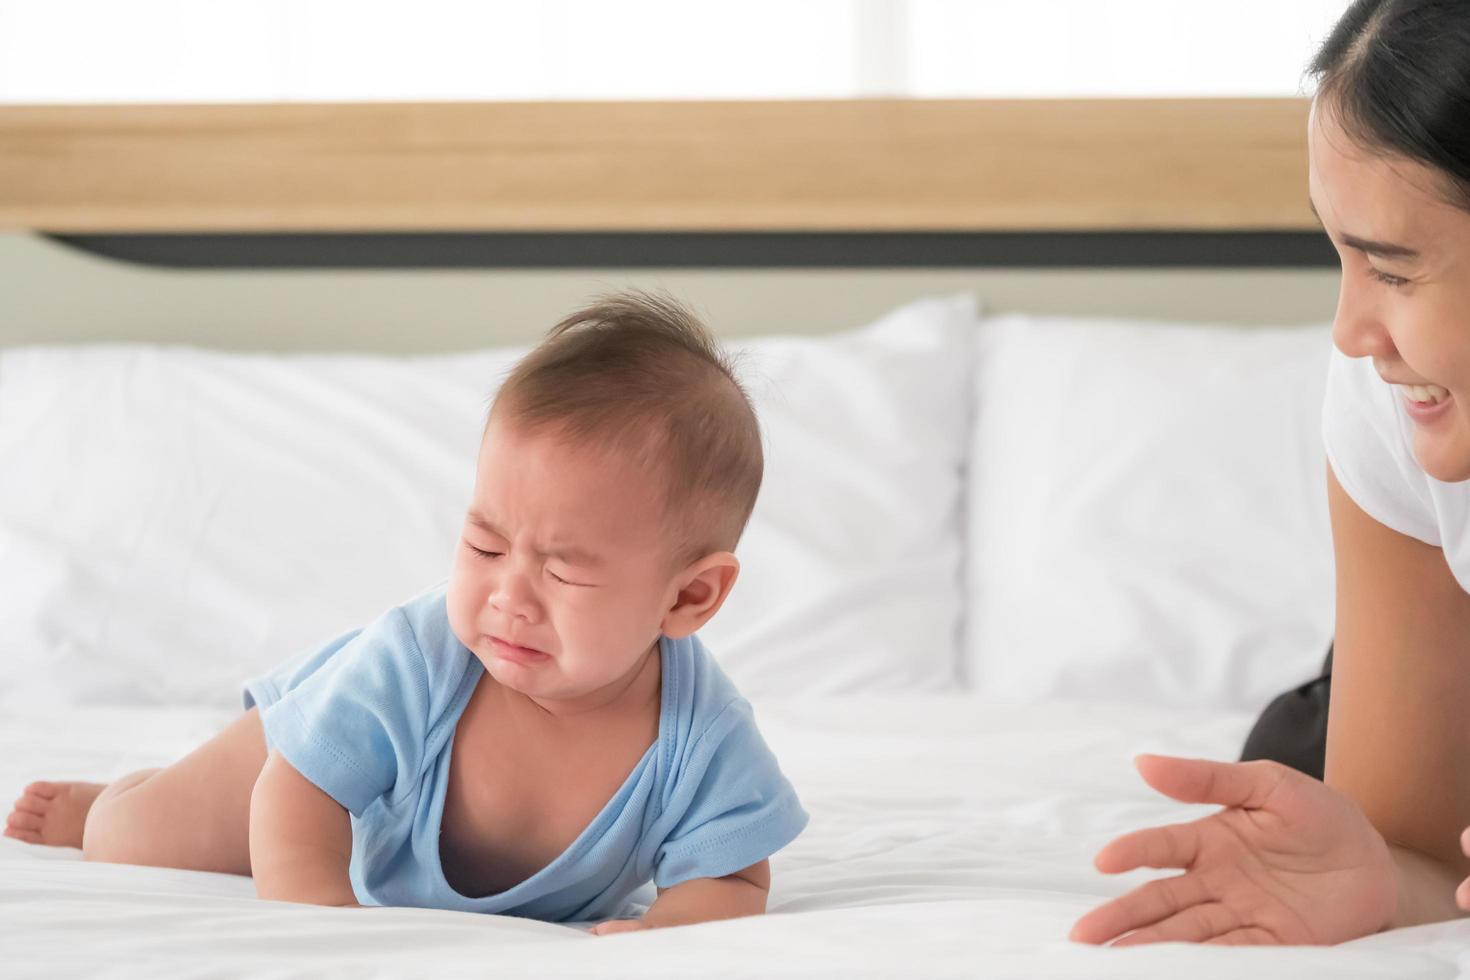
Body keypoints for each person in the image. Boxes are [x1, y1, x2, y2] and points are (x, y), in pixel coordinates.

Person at [3, 290, 808, 934]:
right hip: (307, 765)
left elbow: (733, 876)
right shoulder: (422, 658)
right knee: (137, 843)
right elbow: (299, 790)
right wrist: (318, 913)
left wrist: (669, 926)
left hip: (353, 808)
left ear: (689, 595)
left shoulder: (701, 738)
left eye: (563, 570)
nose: (508, 596)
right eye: (486, 547)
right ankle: (110, 797)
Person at [1072, 0, 1470, 946]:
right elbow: (1417, 852)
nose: (1350, 333)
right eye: (1339, 256)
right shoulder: (1390, 401)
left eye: (1394, 270)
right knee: (1298, 777)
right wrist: (1383, 881)